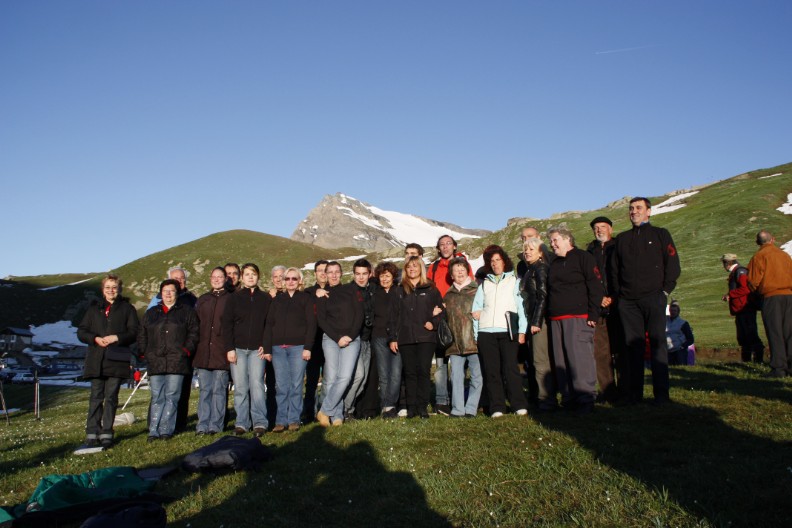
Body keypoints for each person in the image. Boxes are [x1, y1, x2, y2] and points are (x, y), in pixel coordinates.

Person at [610, 197, 681, 404]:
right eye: (631, 209)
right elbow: (615, 270)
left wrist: (665, 291)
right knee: (633, 347)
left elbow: (673, 263)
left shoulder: (660, 234)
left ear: (649, 212)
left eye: (639, 208)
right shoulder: (622, 239)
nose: (634, 212)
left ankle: (661, 394)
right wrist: (620, 294)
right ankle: (635, 394)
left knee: (658, 343)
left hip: (654, 297)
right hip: (628, 302)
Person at [77, 274, 140, 449]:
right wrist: (95, 338)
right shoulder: (93, 309)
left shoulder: (127, 309)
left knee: (111, 397)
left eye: (114, 287)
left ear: (119, 289)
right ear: (103, 290)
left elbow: (134, 331)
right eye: (108, 287)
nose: (111, 290)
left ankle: (106, 433)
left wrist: (116, 337)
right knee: (96, 396)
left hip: (116, 358)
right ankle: (91, 433)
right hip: (97, 358)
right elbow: (81, 331)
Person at [546, 227, 603, 414]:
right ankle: (568, 399)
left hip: (578, 317)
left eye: (555, 240)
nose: (552, 244)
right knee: (561, 360)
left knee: (580, 358)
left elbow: (594, 286)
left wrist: (594, 313)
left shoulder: (583, 257)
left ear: (567, 239)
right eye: (551, 241)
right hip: (556, 318)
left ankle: (586, 398)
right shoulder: (553, 263)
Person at [472, 245, 530, 417]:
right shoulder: (484, 284)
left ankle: (518, 404)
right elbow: (477, 309)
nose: (495, 263)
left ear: (505, 262)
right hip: (485, 332)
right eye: (492, 261)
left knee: (510, 369)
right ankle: (497, 406)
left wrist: (522, 331)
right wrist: (477, 334)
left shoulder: (515, 281)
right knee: (491, 371)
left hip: (507, 331)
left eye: (498, 260)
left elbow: (521, 308)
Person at [138, 279, 199, 441]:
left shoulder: (187, 312)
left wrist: (185, 350)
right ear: (160, 293)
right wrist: (145, 352)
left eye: (172, 291)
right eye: (165, 291)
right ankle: (153, 430)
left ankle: (166, 430)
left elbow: (194, 333)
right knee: (157, 396)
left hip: (177, 361)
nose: (168, 294)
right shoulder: (151, 313)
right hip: (156, 360)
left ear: (177, 293)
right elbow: (142, 333)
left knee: (172, 396)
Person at [389, 256, 444, 418]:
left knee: (423, 372)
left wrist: (433, 323)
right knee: (410, 373)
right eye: (408, 267)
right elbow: (393, 317)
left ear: (421, 268)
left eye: (415, 266)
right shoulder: (399, 290)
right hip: (405, 338)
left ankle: (422, 407)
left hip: (426, 337)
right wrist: (393, 338)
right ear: (405, 270)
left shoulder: (431, 289)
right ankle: (411, 408)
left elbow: (441, 310)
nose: (412, 269)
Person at [263, 267, 316, 432]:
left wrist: (308, 347)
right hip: (278, 348)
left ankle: (294, 419)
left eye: (294, 278)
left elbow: (311, 324)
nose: (291, 281)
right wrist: (267, 349)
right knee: (282, 385)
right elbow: (269, 324)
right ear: (284, 281)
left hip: (298, 348)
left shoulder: (305, 299)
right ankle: (280, 421)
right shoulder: (277, 300)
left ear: (300, 281)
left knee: (296, 384)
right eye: (287, 279)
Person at [222, 263, 272, 436]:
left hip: (257, 350)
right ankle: (242, 423)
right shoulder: (234, 298)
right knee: (241, 387)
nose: (250, 277)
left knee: (257, 385)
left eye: (254, 274)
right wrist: (229, 348)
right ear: (242, 278)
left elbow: (269, 325)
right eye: (247, 274)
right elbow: (226, 324)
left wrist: (265, 345)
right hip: (238, 349)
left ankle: (260, 422)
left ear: (258, 277)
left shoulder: (266, 298)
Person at [427, 235, 473, 416]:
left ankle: (458, 399)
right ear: (438, 248)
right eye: (442, 245)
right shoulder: (434, 266)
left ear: (454, 246)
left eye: (448, 244)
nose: (445, 247)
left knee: (459, 362)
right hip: (441, 317)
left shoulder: (462, 264)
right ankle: (441, 401)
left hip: (459, 317)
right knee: (440, 362)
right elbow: (429, 288)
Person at [316, 261, 364, 426]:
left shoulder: (351, 290)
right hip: (330, 339)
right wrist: (337, 338)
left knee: (344, 377)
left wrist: (350, 336)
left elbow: (359, 314)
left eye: (337, 272)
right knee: (332, 378)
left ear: (341, 273)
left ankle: (324, 411)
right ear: (326, 274)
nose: (334, 275)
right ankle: (336, 415)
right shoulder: (322, 294)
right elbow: (322, 320)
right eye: (330, 272)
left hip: (351, 339)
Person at [519, 237, 557, 412]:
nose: (527, 252)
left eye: (531, 249)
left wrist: (536, 321)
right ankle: (538, 397)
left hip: (538, 321)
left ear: (541, 252)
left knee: (541, 361)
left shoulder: (540, 268)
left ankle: (546, 400)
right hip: (532, 319)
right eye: (526, 249)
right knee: (535, 360)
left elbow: (543, 295)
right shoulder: (530, 269)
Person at [747, 230, 792, 377]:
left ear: (757, 242)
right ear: (773, 239)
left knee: (775, 332)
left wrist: (756, 293)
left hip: (771, 296)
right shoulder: (784, 255)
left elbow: (753, 281)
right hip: (789, 295)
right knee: (789, 332)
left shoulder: (759, 256)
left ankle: (779, 368)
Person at [585, 216, 621, 403]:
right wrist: (599, 299)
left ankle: (625, 389)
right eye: (596, 228)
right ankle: (607, 391)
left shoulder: (619, 247)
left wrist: (614, 297)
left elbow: (623, 275)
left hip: (620, 306)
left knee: (621, 350)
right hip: (599, 308)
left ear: (611, 229)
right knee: (601, 352)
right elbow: (588, 279)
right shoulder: (589, 251)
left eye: (603, 227)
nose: (599, 230)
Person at [443, 257, 483, 418]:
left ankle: (471, 408)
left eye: (462, 268)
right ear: (451, 275)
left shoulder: (477, 290)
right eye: (456, 269)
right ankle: (457, 409)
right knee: (456, 377)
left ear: (467, 270)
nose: (459, 271)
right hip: (454, 343)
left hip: (474, 341)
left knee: (477, 376)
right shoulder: (448, 295)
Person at [194, 267, 231, 435]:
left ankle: (215, 425)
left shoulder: (230, 299)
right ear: (210, 279)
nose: (216, 279)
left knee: (219, 390)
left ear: (225, 279)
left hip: (221, 352)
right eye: (214, 277)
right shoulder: (203, 299)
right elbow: (195, 324)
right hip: (203, 352)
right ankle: (202, 425)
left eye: (220, 277)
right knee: (205, 390)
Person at [343, 259, 378, 420]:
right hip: (353, 340)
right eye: (358, 274)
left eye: (364, 274)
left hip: (367, 340)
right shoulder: (347, 291)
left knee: (362, 379)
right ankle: (344, 409)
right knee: (357, 376)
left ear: (370, 274)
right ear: (353, 274)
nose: (361, 277)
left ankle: (348, 409)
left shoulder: (373, 289)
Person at [721, 253, 764, 363]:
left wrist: (730, 295)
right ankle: (747, 361)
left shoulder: (740, 272)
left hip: (745, 307)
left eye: (724, 263)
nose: (723, 266)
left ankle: (758, 360)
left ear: (728, 263)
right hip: (740, 309)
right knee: (743, 336)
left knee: (750, 334)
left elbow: (746, 289)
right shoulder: (737, 272)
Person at [371, 261, 401, 418]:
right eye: (382, 276)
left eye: (387, 276)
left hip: (396, 337)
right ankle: (386, 406)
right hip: (379, 336)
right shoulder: (375, 293)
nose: (384, 279)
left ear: (393, 277)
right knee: (383, 373)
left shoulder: (400, 291)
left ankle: (391, 404)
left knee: (396, 373)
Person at [303, 260, 329, 422]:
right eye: (320, 270)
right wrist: (316, 295)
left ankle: (325, 409)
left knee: (329, 378)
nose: (323, 273)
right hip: (313, 340)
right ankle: (309, 412)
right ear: (315, 273)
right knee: (312, 379)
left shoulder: (335, 290)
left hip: (330, 340)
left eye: (326, 270)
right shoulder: (308, 292)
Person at [666, 301, 695, 365]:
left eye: (674, 311)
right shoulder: (664, 321)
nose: (673, 312)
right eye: (671, 310)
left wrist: (682, 346)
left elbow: (690, 339)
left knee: (680, 369)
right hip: (667, 351)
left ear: (678, 312)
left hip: (679, 351)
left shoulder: (683, 323)